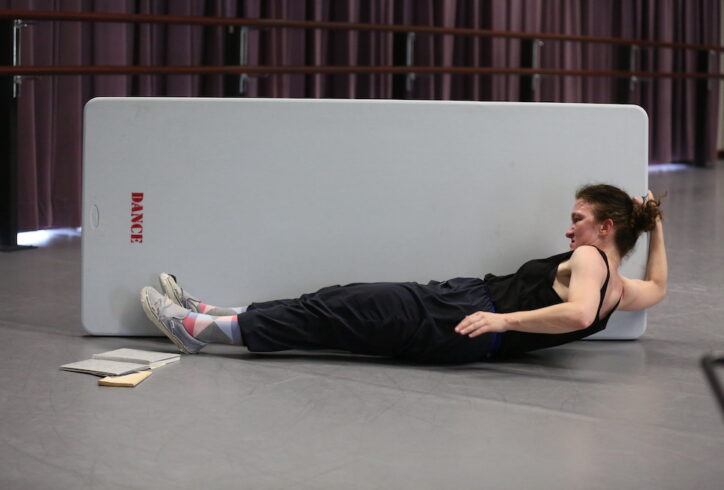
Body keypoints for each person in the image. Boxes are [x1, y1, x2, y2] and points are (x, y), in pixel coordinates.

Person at [140, 184, 666, 364]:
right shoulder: (621, 290)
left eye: (578, 220)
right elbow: (660, 287)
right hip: (458, 317)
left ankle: (201, 333)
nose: (569, 230)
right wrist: (657, 228)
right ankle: (216, 314)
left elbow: (575, 312)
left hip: (459, 317)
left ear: (605, 227)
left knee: (338, 309)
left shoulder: (593, 262)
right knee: (339, 302)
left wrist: (502, 322)